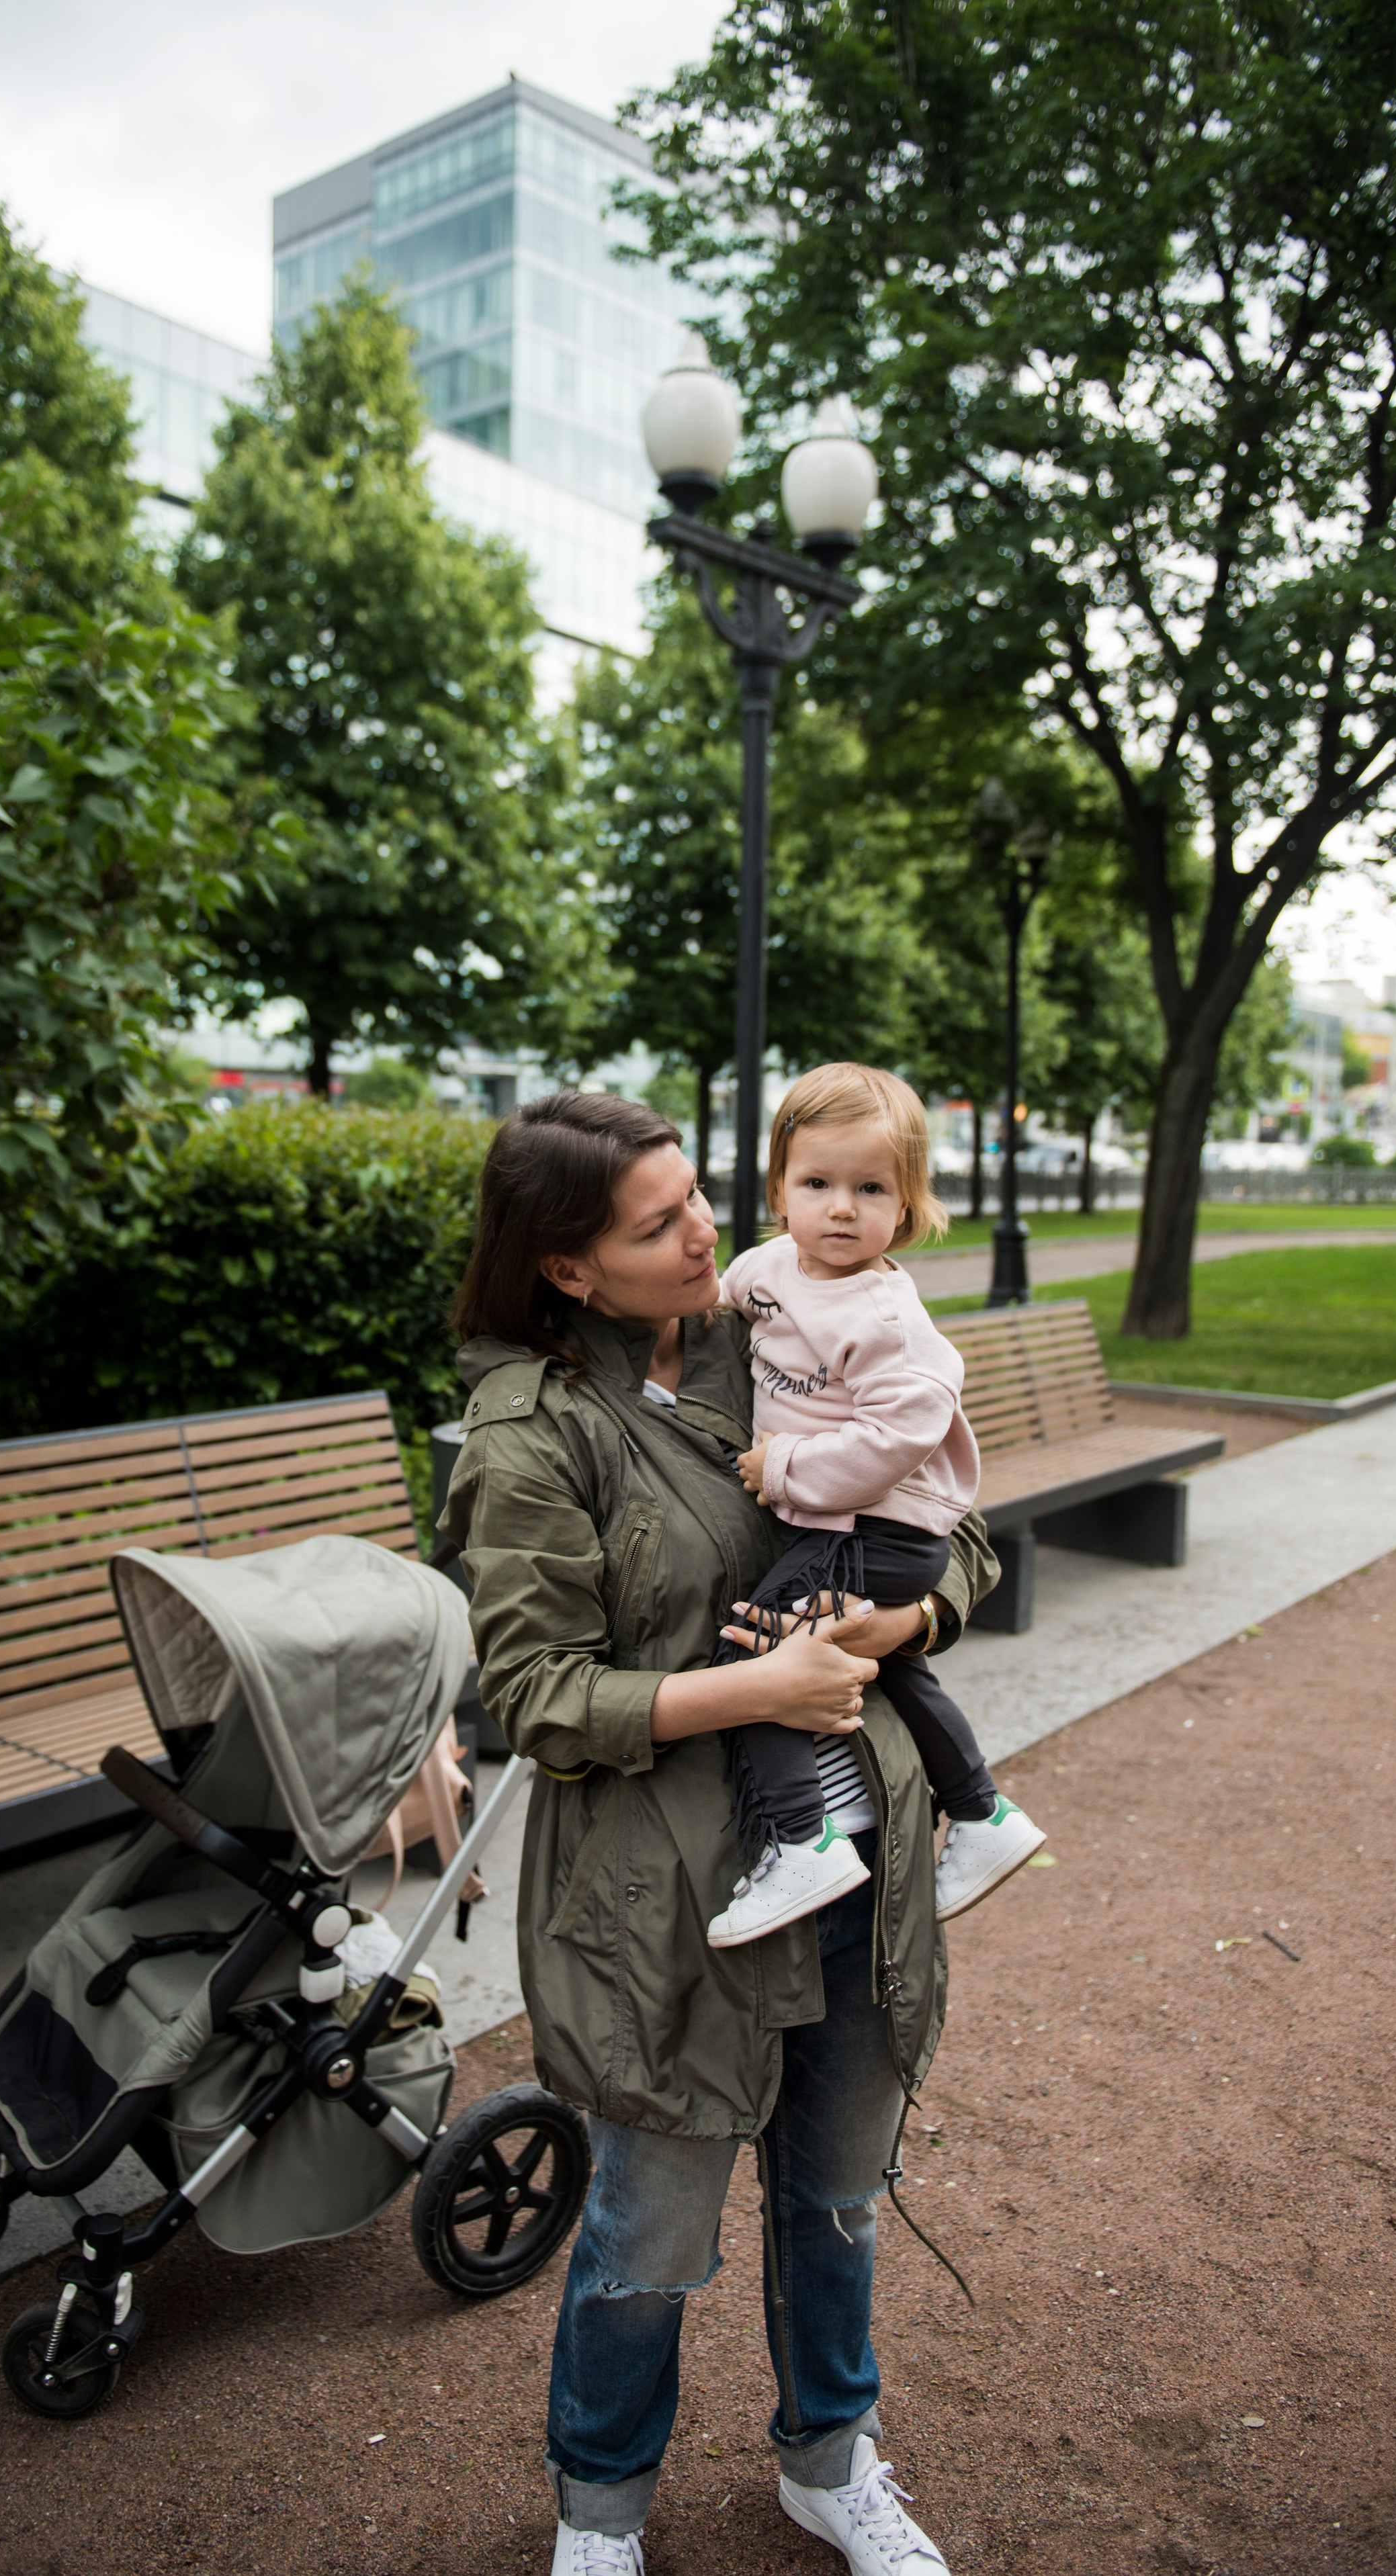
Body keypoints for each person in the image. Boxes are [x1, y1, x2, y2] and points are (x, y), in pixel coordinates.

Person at [439, 1090, 1002, 2576]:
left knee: (834, 2201)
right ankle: (601, 2517)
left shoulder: (790, 1317)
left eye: (696, 1196)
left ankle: (830, 2463)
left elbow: (960, 1513)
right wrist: (754, 1683)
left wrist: (911, 1613)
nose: (706, 1229)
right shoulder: (531, 1433)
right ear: (567, 1269)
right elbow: (539, 1696)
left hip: (851, 1861)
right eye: (656, 1224)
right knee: (643, 2239)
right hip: (665, 1901)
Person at [706, 1064, 1043, 1948]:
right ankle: (981, 1812)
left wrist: (785, 1467)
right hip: (845, 1524)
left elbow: (897, 1436)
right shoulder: (768, 1266)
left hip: (881, 1527)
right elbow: (721, 1312)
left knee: (760, 1646)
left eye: (870, 1188)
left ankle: (800, 1838)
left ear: (911, 1205)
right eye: (817, 1183)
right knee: (891, 1664)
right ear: (779, 1187)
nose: (842, 1208)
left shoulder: (889, 1319)